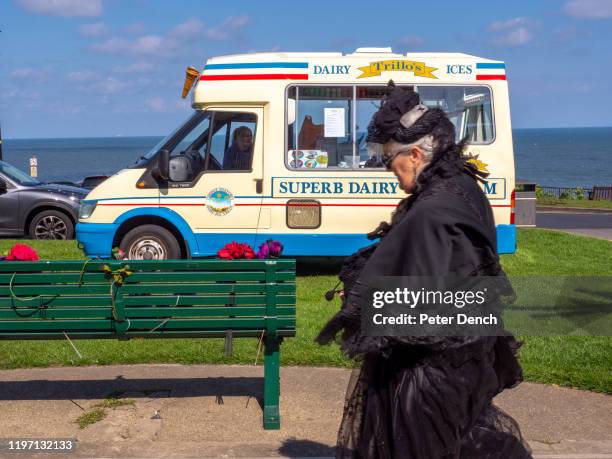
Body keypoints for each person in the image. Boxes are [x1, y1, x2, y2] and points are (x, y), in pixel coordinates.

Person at [317, 82, 532, 458]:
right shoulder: (462, 186)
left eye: (390, 162)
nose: (390, 172)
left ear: (415, 154)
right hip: (464, 351)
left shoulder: (434, 208)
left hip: (430, 366)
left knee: (420, 445)